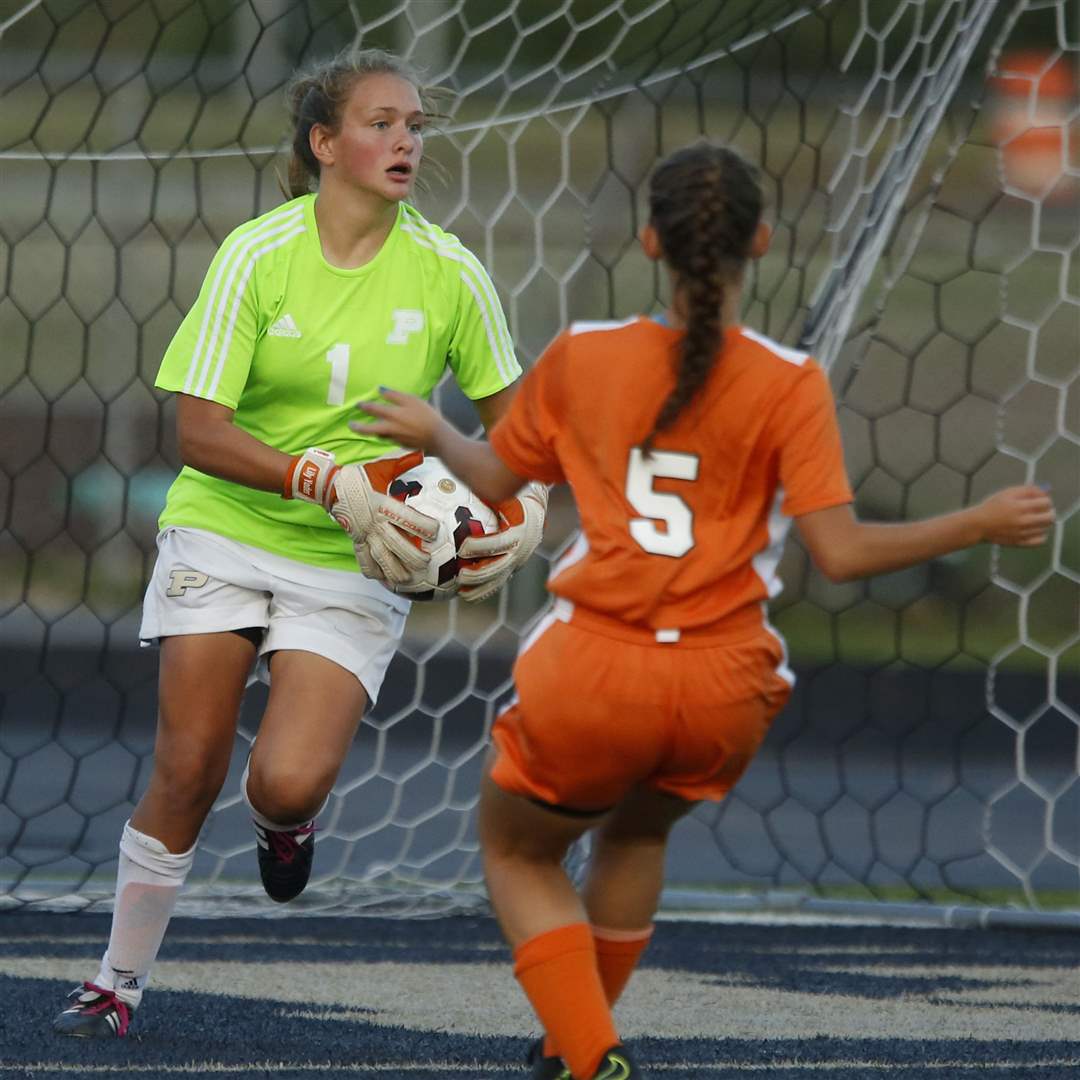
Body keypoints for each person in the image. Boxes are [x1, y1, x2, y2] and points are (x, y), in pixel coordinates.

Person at [353, 141, 1056, 1080]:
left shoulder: (584, 356)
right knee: (638, 830)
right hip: (726, 685)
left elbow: (495, 479)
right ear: (760, 241)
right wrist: (974, 519)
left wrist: (436, 430)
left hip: (596, 666)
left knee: (518, 853)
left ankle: (593, 1054)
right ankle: (573, 1046)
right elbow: (841, 554)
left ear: (650, 239)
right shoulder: (789, 381)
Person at [52, 46, 547, 1039]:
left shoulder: (450, 272)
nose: (405, 140)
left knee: (284, 779)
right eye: (380, 122)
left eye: (414, 125)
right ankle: (115, 984)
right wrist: (326, 479)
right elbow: (199, 432)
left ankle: (288, 825)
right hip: (225, 528)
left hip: (354, 558)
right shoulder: (258, 253)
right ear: (325, 144)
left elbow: (524, 426)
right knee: (186, 770)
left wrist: (524, 509)